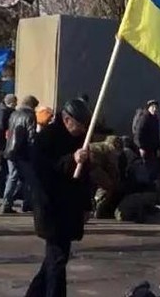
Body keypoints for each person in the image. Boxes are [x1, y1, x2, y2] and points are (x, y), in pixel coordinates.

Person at [25, 99, 93, 297]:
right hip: (51, 207)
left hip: (70, 209)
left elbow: (84, 177)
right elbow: (43, 171)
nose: (82, 130)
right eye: (79, 125)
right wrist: (71, 159)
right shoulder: (46, 138)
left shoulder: (80, 140)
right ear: (66, 119)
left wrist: (86, 205)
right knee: (57, 261)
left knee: (54, 261)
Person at [3, 95, 39, 214]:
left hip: (10, 149)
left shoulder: (14, 114)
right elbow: (31, 136)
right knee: (29, 178)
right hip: (23, 151)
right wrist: (33, 150)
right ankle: (27, 204)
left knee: (12, 177)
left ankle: (6, 203)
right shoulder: (30, 116)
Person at [132, 100, 160, 189]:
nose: (155, 109)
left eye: (156, 108)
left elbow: (156, 135)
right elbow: (138, 133)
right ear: (148, 108)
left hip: (152, 148)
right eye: (153, 107)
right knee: (145, 167)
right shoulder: (144, 118)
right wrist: (140, 147)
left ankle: (150, 185)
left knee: (152, 167)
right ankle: (144, 186)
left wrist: (158, 148)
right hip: (145, 148)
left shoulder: (155, 119)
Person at [0, 94, 18, 199]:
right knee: (4, 168)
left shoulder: (6, 111)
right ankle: (2, 190)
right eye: (15, 102)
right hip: (5, 145)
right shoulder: (4, 113)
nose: (16, 104)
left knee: (6, 168)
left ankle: (4, 190)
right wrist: (1, 147)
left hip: (6, 144)